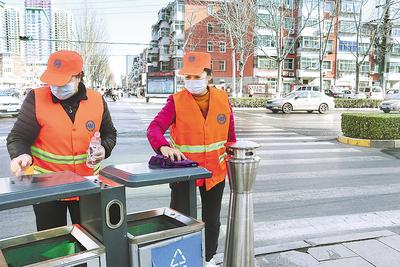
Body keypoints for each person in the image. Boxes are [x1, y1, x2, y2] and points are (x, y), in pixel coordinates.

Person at [7, 50, 117, 231]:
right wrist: (20, 155)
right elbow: (18, 137)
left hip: (87, 186)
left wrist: (104, 149)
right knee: (52, 243)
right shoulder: (35, 98)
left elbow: (109, 133)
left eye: (63, 82)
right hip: (47, 189)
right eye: (52, 82)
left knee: (90, 241)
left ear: (79, 77)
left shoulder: (97, 100)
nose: (57, 87)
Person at [147, 51, 236, 266]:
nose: (192, 81)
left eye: (197, 77)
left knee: (212, 221)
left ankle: (208, 258)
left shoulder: (223, 99)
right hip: (184, 172)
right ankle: (181, 260)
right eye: (188, 77)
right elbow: (154, 128)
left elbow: (230, 137)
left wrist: (234, 161)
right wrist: (163, 147)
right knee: (180, 220)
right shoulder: (176, 101)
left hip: (215, 172)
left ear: (209, 77)